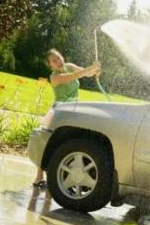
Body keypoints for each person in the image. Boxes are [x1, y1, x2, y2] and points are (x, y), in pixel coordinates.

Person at [32, 48, 101, 189]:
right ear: (50, 65)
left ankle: (59, 177)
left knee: (65, 145)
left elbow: (86, 73)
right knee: (47, 144)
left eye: (58, 57)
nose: (58, 61)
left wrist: (95, 70)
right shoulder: (54, 77)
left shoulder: (69, 66)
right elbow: (74, 76)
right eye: (54, 61)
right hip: (59, 112)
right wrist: (89, 69)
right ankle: (39, 177)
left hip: (73, 111)